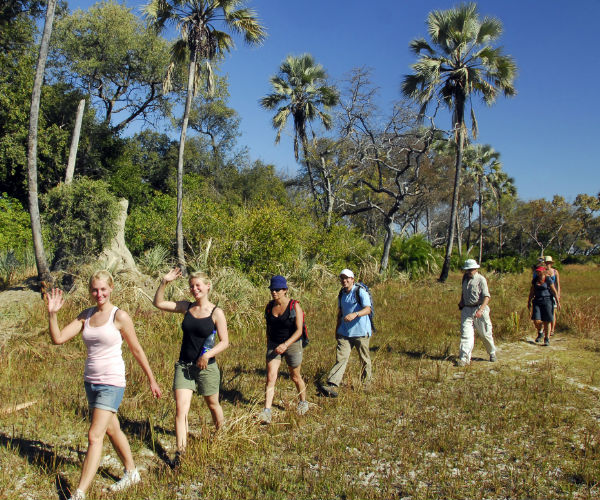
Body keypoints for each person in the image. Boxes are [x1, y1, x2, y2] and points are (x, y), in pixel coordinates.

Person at [47, 271, 162, 500]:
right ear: (90, 291)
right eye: (94, 290)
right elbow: (58, 338)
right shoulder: (86, 316)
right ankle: (131, 472)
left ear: (111, 289)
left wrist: (151, 379)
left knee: (94, 435)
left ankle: (79, 493)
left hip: (112, 381)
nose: (99, 294)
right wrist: (52, 315)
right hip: (91, 381)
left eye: (103, 289)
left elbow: (136, 349)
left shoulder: (119, 316)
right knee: (111, 428)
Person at [153, 268, 229, 468]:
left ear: (208, 286)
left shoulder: (216, 312)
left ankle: (221, 436)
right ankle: (181, 453)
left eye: (198, 285)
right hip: (184, 366)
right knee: (181, 410)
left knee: (213, 404)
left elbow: (225, 342)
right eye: (192, 286)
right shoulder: (186, 307)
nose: (195, 289)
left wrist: (207, 355)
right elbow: (159, 303)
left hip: (207, 367)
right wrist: (164, 282)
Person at [258, 275, 308, 424]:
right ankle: (267, 411)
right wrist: (270, 345)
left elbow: (299, 330)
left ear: (285, 290)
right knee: (271, 377)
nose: (274, 292)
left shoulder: (294, 306)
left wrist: (286, 345)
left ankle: (303, 402)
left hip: (292, 344)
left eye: (277, 289)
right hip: (274, 344)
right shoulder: (269, 307)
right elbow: (268, 327)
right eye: (272, 289)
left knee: (294, 376)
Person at [319, 269, 372, 397]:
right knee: (341, 358)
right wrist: (337, 329)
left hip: (361, 332)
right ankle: (332, 384)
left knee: (364, 358)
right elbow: (340, 313)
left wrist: (355, 314)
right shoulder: (341, 294)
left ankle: (366, 384)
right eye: (342, 278)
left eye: (347, 278)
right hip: (345, 332)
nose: (344, 280)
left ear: (352, 279)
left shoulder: (360, 292)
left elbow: (368, 309)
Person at [456, 259, 497, 366]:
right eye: (467, 270)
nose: (468, 272)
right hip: (466, 309)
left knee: (485, 334)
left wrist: (481, 310)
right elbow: (463, 291)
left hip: (479, 309)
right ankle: (464, 358)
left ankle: (492, 352)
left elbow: (487, 297)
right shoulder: (464, 278)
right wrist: (461, 302)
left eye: (471, 270)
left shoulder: (481, 280)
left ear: (475, 269)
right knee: (466, 334)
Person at [528, 265, 560, 346]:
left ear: (543, 271)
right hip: (537, 300)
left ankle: (547, 338)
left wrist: (557, 302)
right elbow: (532, 291)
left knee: (547, 321)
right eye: (537, 271)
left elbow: (554, 291)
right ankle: (540, 332)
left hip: (547, 300)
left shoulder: (548, 279)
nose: (538, 272)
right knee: (536, 320)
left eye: (539, 271)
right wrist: (529, 301)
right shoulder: (535, 280)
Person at [544, 255, 561, 336]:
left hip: (553, 293)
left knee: (552, 312)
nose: (547, 264)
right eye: (546, 263)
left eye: (548, 263)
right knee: (545, 311)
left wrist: (558, 294)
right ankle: (546, 328)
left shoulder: (555, 272)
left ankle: (552, 329)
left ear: (551, 264)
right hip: (545, 293)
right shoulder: (542, 272)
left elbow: (557, 284)